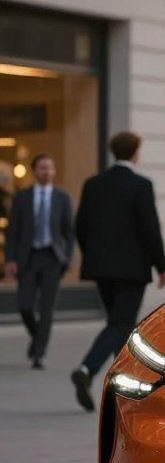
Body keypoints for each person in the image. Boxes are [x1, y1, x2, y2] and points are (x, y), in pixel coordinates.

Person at [71, 131, 165, 411]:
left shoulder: (93, 184)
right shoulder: (141, 185)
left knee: (119, 323)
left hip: (101, 267)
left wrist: (93, 255)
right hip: (131, 268)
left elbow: (81, 226)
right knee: (119, 324)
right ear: (135, 152)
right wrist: (161, 265)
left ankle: (120, 386)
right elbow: (149, 229)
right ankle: (87, 369)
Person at [3, 154, 75, 368]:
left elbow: (69, 232)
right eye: (43, 168)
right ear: (35, 170)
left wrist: (68, 257)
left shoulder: (62, 197)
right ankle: (37, 338)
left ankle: (39, 354)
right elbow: (12, 231)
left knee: (46, 308)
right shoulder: (22, 197)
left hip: (52, 258)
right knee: (24, 305)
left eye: (50, 168)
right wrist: (9, 259)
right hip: (28, 257)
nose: (47, 172)